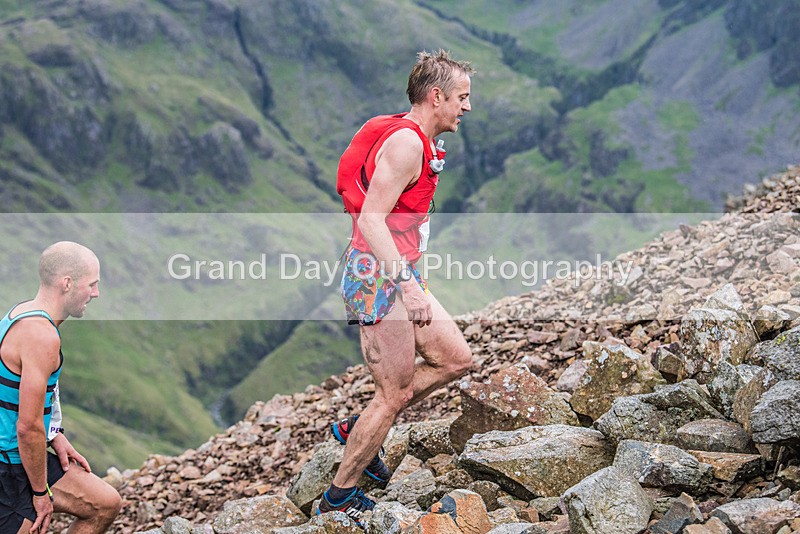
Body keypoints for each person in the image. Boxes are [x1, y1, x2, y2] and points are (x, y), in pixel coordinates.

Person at [318, 50, 475, 523]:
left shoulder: (416, 137)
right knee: (394, 395)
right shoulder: (407, 145)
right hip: (378, 278)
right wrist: (405, 285)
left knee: (455, 359)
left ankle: (355, 429)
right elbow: (371, 219)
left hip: (401, 272)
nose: (466, 107)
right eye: (462, 98)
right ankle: (339, 494)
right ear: (436, 96)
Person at [0, 241, 121, 533]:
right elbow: (27, 427)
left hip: (22, 454)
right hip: (11, 464)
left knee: (105, 503)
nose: (96, 293)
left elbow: (31, 394)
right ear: (67, 283)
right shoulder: (41, 336)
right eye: (91, 284)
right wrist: (41, 494)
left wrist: (55, 434)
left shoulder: (22, 312)